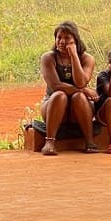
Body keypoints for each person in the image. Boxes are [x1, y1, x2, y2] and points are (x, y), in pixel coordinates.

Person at [39, 21, 98, 156]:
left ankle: (89, 141)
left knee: (78, 97)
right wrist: (83, 90)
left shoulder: (87, 59)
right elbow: (55, 85)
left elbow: (81, 81)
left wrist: (74, 57)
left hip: (78, 109)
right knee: (60, 95)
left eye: (67, 38)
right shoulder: (48, 58)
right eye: (59, 38)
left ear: (75, 40)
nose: (62, 41)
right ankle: (50, 142)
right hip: (54, 107)